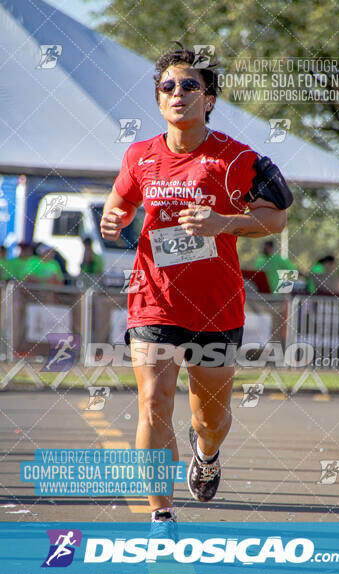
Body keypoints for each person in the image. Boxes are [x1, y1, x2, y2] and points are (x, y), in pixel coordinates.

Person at [100, 44, 292, 526]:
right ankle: (160, 514)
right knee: (153, 401)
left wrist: (223, 223)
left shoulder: (233, 158)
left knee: (210, 420)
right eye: (168, 87)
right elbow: (119, 201)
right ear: (159, 99)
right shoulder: (139, 155)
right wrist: (114, 217)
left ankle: (205, 454)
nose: (178, 93)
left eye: (190, 86)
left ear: (208, 99)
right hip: (153, 300)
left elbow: (275, 218)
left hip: (215, 307)